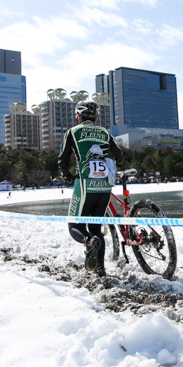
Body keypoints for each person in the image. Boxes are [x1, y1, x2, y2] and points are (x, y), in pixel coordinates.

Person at [58, 101, 123, 277]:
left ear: (79, 116)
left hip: (85, 184)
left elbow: (63, 159)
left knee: (74, 224)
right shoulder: (104, 132)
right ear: (95, 117)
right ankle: (99, 267)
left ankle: (88, 241)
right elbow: (119, 155)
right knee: (95, 227)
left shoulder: (72, 132)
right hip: (104, 186)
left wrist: (67, 175)